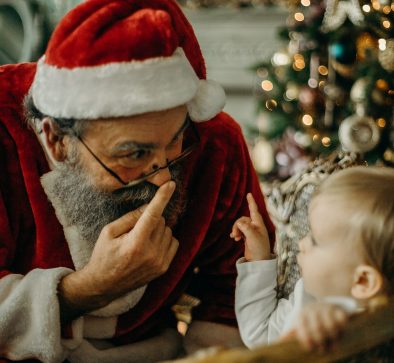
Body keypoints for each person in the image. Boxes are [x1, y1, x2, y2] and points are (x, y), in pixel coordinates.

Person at [0, 0, 276, 362]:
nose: (163, 178)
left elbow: (233, 293)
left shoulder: (213, 140)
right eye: (134, 154)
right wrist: (88, 289)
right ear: (56, 139)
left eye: (175, 140)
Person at [233, 166, 394, 350]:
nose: (302, 243)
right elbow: (262, 334)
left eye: (316, 240)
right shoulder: (308, 291)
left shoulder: (377, 338)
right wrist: (259, 259)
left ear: (363, 281)